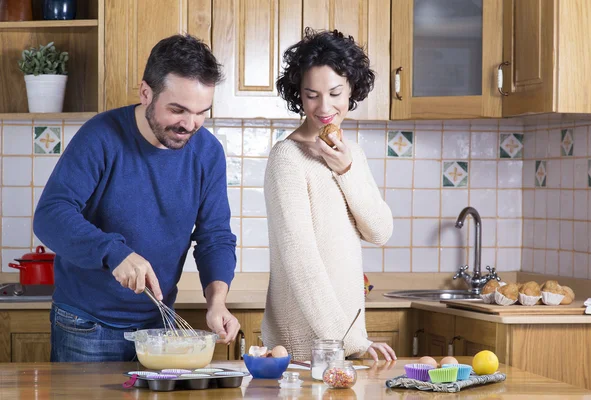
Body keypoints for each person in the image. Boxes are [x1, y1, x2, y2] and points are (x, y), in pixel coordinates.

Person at [33, 34, 240, 362]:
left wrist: (217, 301)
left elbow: (215, 237)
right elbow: (50, 214)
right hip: (87, 326)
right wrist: (113, 252)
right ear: (146, 93)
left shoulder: (208, 153)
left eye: (202, 112)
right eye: (178, 110)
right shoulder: (100, 137)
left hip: (158, 325)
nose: (190, 124)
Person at [261, 28, 397, 362]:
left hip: (345, 340)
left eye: (335, 92)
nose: (325, 107)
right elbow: (300, 261)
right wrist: (351, 341)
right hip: (302, 347)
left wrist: (346, 169)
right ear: (299, 94)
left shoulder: (352, 155)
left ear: (352, 88)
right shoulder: (286, 159)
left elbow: (380, 231)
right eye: (311, 95)